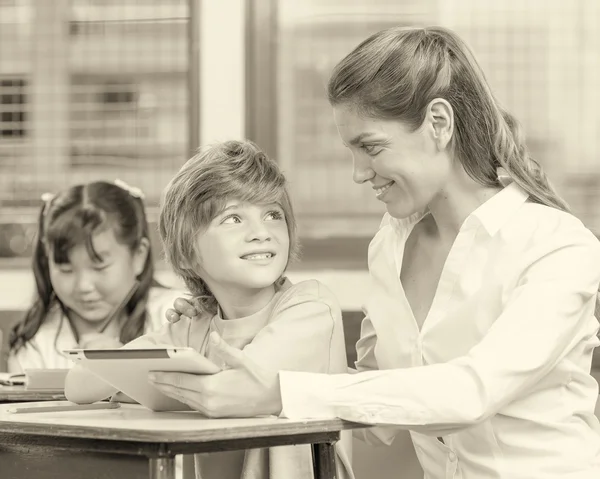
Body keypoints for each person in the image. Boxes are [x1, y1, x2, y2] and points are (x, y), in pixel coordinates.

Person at [156, 26, 600, 478]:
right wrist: (247, 326)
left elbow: (473, 392)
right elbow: (377, 409)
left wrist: (279, 391)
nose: (357, 173)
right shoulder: (391, 242)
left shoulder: (558, 246)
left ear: (439, 124)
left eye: (370, 147)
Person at [65, 140, 354, 479]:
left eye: (273, 215)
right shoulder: (194, 326)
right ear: (188, 253)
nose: (261, 233)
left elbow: (235, 389)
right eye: (233, 218)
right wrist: (130, 362)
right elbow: (78, 387)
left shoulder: (310, 308)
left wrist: (158, 376)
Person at [8, 180, 183, 372]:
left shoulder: (177, 315)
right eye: (65, 269)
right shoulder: (36, 343)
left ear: (138, 256)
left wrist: (128, 363)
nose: (83, 286)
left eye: (99, 266)